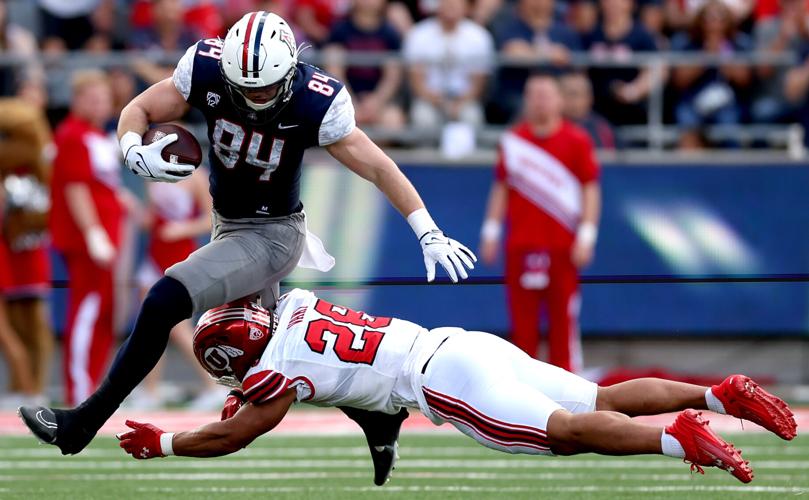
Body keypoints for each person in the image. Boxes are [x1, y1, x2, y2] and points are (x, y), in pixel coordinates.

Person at [19, 11, 475, 486]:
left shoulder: (315, 98)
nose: (255, 98)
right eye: (246, 88)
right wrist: (132, 147)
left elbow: (379, 167)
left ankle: (81, 424)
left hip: (273, 232)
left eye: (265, 88)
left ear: (290, 69)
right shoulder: (208, 68)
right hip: (228, 224)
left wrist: (426, 229)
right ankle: (374, 415)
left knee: (162, 302)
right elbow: (139, 109)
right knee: (267, 358)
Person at [114, 288, 797, 486]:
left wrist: (167, 442)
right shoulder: (294, 305)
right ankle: (714, 394)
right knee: (598, 398)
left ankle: (675, 441)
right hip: (461, 342)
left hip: (443, 382)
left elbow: (236, 431)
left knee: (563, 434)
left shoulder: (273, 375)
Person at [480, 74, 600, 373]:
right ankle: (523, 388)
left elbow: (590, 188)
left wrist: (587, 235)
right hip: (521, 245)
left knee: (563, 323)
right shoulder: (512, 141)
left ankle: (570, 388)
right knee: (522, 327)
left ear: (559, 100)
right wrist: (491, 231)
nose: (540, 101)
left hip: (563, 247)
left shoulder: (577, 140)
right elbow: (501, 187)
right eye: (533, 94)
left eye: (546, 94)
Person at [47, 70, 127, 406]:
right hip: (88, 242)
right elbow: (76, 189)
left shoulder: (98, 136)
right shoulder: (73, 135)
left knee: (104, 313)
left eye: (104, 99)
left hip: (107, 237)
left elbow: (102, 186)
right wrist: (93, 233)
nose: (100, 105)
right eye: (92, 98)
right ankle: (79, 390)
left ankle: (92, 385)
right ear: (77, 100)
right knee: (87, 311)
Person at [133, 167, 223, 410]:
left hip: (179, 254)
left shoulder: (197, 176)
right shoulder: (153, 172)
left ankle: (214, 384)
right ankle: (150, 391)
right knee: (148, 325)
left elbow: (211, 219)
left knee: (177, 328)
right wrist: (131, 209)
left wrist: (182, 229)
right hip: (155, 253)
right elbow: (151, 217)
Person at [0, 81, 54, 406]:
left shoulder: (43, 163)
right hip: (9, 250)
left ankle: (32, 386)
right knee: (15, 323)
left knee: (32, 321)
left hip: (28, 249)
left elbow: (43, 212)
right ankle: (22, 385)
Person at [670, 0, 753, 149]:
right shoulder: (688, 43)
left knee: (729, 122)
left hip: (727, 102)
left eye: (720, 18)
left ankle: (732, 168)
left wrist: (723, 58)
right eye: (709, 18)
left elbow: (745, 79)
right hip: (693, 100)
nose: (714, 24)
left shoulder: (739, 43)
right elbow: (679, 80)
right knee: (686, 119)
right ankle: (690, 167)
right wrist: (705, 57)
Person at [402, 0, 494, 130]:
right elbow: (416, 80)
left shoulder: (479, 36)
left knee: (471, 116)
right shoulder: (418, 34)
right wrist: (436, 101)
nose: (451, 7)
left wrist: (460, 103)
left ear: (466, 8)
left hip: (464, 99)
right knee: (423, 117)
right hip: (429, 99)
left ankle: (466, 151)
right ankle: (425, 151)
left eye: (456, 4)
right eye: (446, 3)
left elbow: (478, 82)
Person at [324, 0, 406, 131]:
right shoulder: (339, 31)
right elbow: (334, 71)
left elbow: (392, 77)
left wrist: (375, 102)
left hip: (380, 101)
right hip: (344, 99)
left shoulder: (390, 33)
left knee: (393, 121)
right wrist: (351, 103)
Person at [559, 72, 618, 149]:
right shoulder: (548, 127)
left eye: (583, 94)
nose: (577, 101)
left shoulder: (602, 128)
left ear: (590, 98)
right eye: (572, 94)